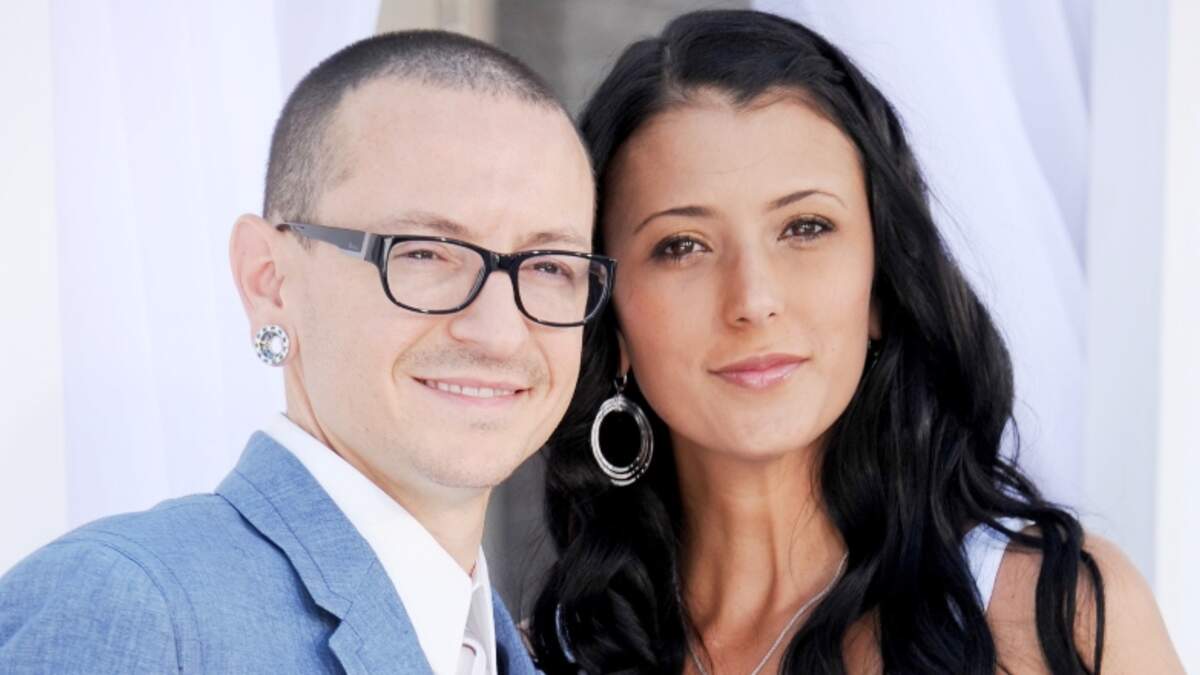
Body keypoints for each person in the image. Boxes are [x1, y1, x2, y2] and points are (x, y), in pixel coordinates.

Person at [529, 10, 1182, 674]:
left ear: (879, 286)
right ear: (608, 315)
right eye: (682, 245)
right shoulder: (534, 657)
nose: (754, 299)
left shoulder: (1055, 617)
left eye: (805, 227)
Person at [0, 30, 611, 674]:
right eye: (424, 253)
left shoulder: (513, 653)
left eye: (550, 265)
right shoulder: (131, 609)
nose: (499, 332)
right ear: (269, 280)